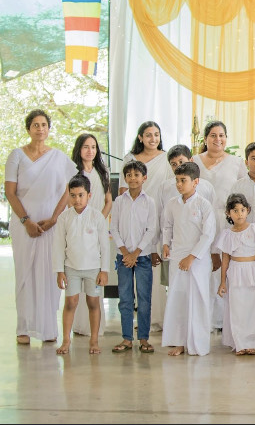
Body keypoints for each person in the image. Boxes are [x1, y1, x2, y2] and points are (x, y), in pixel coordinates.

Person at [6, 109, 77, 345]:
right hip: (24, 223)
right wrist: (26, 221)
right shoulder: (16, 155)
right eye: (35, 125)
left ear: (49, 128)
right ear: (28, 129)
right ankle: (24, 328)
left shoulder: (58, 157)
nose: (40, 128)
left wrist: (55, 218)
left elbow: (69, 190)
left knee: (50, 273)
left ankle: (48, 328)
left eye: (44, 124)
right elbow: (10, 192)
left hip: (50, 224)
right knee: (24, 273)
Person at [119, 121, 174, 332]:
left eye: (157, 134)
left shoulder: (166, 159)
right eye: (148, 135)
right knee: (139, 264)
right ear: (140, 137)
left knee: (156, 263)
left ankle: (159, 318)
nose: (153, 139)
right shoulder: (130, 159)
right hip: (135, 218)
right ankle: (142, 318)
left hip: (160, 216)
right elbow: (123, 191)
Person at [193, 121, 247, 332]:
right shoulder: (195, 161)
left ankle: (223, 321)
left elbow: (243, 192)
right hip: (199, 221)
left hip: (227, 222)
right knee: (203, 267)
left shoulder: (236, 162)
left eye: (222, 135)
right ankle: (203, 319)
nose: (218, 139)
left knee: (225, 268)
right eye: (213, 135)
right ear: (205, 139)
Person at [161, 162, 217, 356]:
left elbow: (208, 235)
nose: (179, 184)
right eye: (177, 180)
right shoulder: (172, 204)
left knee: (198, 299)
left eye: (183, 180)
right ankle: (179, 342)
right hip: (177, 256)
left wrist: (192, 257)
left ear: (195, 182)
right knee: (178, 298)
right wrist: (165, 243)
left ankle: (198, 344)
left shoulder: (204, 205)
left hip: (198, 259)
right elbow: (167, 226)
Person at [53, 174, 110, 355]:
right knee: (71, 302)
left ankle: (94, 341)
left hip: (93, 269)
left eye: (80, 195)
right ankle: (66, 340)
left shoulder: (97, 217)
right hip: (71, 268)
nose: (77, 199)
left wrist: (104, 270)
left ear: (89, 195)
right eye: (73, 195)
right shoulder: (64, 218)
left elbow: (105, 246)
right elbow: (59, 246)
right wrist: (59, 271)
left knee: (93, 303)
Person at [110, 160, 158, 354]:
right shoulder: (119, 201)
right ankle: (127, 338)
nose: (132, 178)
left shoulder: (150, 202)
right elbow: (113, 228)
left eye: (136, 175)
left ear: (144, 178)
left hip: (143, 257)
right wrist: (125, 253)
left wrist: (136, 253)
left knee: (144, 299)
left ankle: (144, 338)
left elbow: (151, 229)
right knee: (125, 298)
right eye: (128, 175)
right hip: (123, 258)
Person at [69, 133, 112, 337]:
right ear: (79, 149)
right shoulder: (73, 172)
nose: (90, 151)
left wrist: (99, 222)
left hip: (97, 225)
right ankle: (79, 325)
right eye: (86, 147)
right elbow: (69, 200)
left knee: (95, 273)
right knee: (77, 271)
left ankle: (94, 327)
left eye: (93, 147)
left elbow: (108, 201)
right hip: (77, 226)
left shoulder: (102, 171)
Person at [216, 194, 255, 356]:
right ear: (228, 213)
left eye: (242, 210)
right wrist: (223, 282)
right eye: (235, 211)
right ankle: (240, 344)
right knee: (237, 309)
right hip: (236, 271)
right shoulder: (227, 234)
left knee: (253, 309)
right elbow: (225, 259)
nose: (239, 214)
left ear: (248, 211)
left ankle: (251, 343)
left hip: (253, 271)